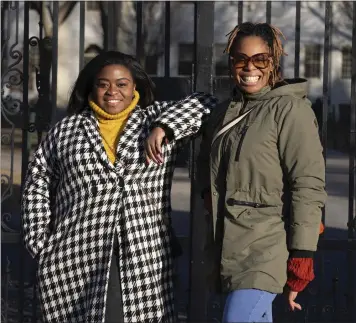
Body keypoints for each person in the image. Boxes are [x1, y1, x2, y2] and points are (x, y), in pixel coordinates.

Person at [21, 51, 217, 323]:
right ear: (92, 87)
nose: (112, 91)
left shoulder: (153, 118)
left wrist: (164, 127)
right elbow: (37, 180)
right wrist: (39, 241)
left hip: (142, 254)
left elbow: (206, 103)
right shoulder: (67, 131)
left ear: (134, 86)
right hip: (75, 255)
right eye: (103, 84)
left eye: (122, 84)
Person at [197, 22, 326, 323]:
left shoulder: (290, 110)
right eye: (240, 59)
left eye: (260, 59)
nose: (249, 67)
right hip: (228, 243)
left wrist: (303, 253)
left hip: (268, 244)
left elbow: (307, 184)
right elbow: (205, 162)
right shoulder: (224, 111)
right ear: (231, 63)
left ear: (273, 63)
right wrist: (207, 194)